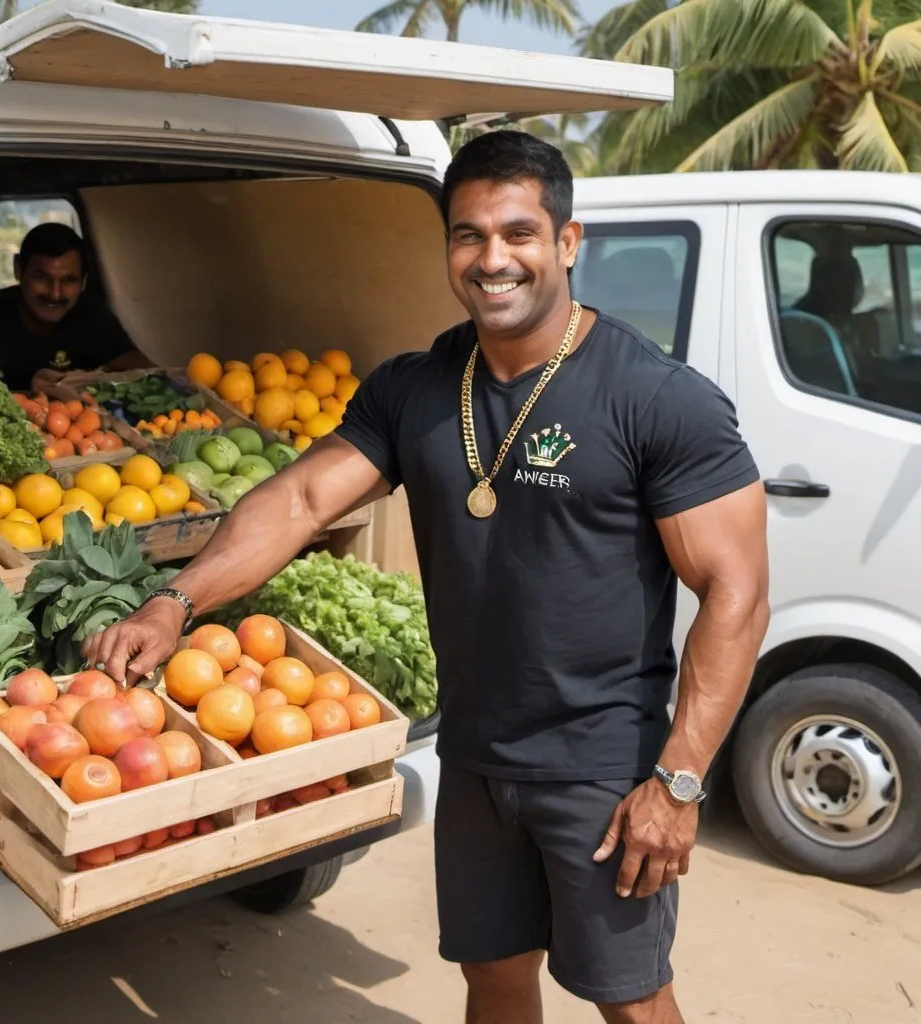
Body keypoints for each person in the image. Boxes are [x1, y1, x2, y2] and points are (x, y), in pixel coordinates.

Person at [83, 131, 770, 1024]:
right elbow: (297, 501)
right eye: (467, 235)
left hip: (602, 764)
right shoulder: (416, 386)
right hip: (479, 755)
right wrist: (174, 601)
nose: (493, 259)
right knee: (491, 978)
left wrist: (678, 782)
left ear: (567, 242)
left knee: (630, 999)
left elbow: (738, 593)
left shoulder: (655, 397)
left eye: (519, 234)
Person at [0, 222, 152, 393]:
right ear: (19, 269)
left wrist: (92, 378)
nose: (55, 293)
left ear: (83, 282)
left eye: (68, 280)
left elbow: (142, 368)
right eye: (41, 277)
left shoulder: (92, 314)